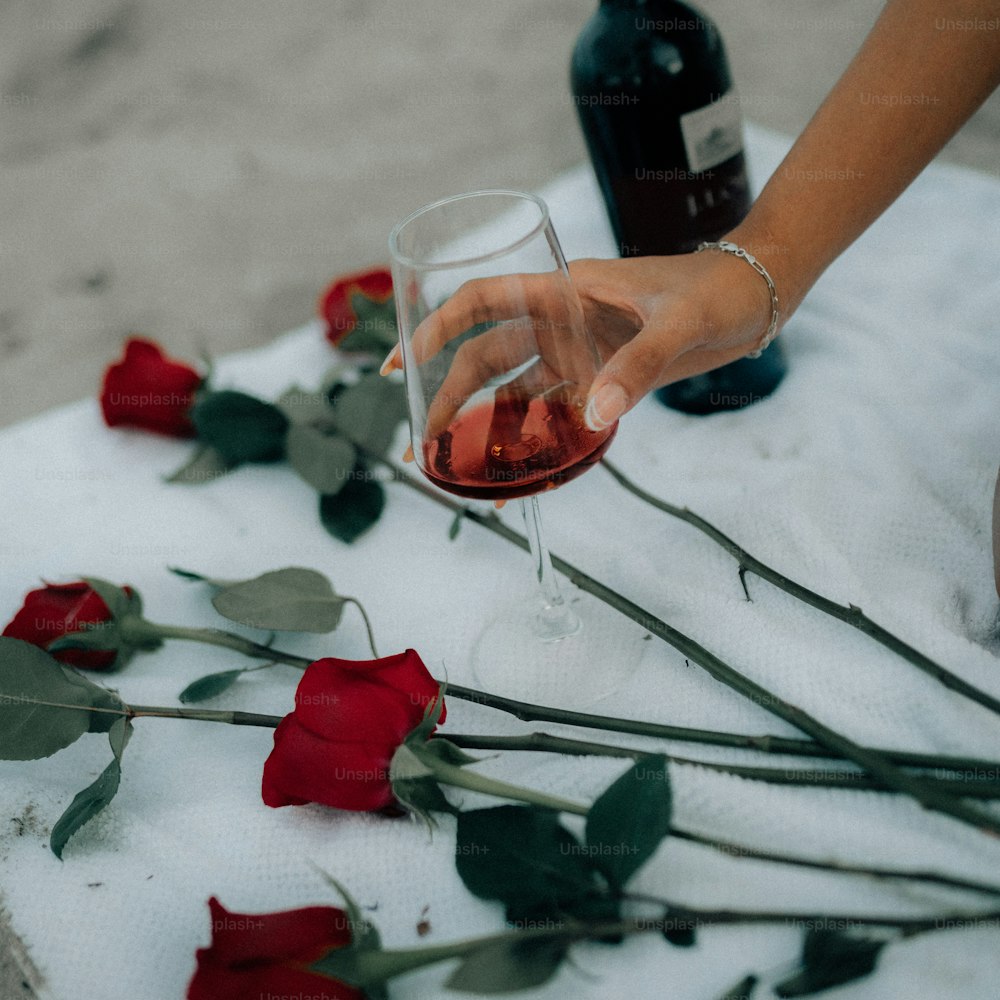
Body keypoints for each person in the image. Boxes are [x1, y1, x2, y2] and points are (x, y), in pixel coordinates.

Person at [381, 0, 1000, 592]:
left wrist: (752, 274)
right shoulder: (605, 60)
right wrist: (762, 270)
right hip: (690, 330)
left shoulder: (686, 38)